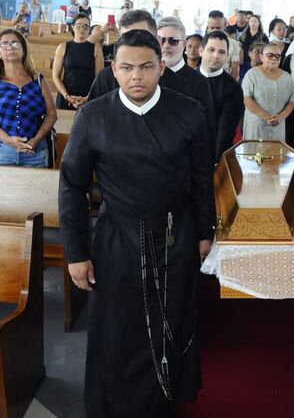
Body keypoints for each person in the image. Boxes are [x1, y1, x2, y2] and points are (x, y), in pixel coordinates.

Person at [59, 29, 215, 417]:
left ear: (161, 67)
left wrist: (205, 232)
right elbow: (72, 187)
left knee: (168, 324)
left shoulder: (188, 111)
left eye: (146, 67)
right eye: (126, 68)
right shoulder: (94, 115)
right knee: (118, 329)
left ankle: (161, 404)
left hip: (173, 235)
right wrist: (76, 253)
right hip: (116, 238)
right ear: (113, 70)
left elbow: (201, 178)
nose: (136, 77)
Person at [0, 29, 57, 167]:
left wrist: (36, 140)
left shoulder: (38, 80)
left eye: (15, 43)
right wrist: (7, 140)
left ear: (23, 50)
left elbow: (51, 114)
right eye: (5, 44)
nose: (11, 47)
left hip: (34, 153)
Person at [86, 10, 192, 105]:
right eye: (126, 39)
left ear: (157, 41)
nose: (133, 46)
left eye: (141, 39)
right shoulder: (105, 78)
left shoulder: (177, 85)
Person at [157, 16, 216, 148]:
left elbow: (207, 128)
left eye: (173, 41)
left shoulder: (199, 81)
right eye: (161, 40)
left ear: (183, 44)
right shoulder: (147, 76)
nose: (166, 45)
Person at [199, 31, 244, 160]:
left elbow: (225, 131)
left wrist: (217, 162)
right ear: (201, 51)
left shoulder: (233, 88)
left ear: (227, 56)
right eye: (211, 50)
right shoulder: (185, 81)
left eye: (221, 52)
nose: (216, 56)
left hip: (214, 157)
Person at [241, 42, 294, 141]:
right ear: (261, 57)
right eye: (270, 55)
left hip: (278, 125)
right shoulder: (251, 74)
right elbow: (247, 99)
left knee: (275, 155)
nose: (274, 58)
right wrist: (267, 117)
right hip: (256, 125)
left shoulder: (287, 77)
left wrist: (281, 117)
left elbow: (291, 102)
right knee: (254, 154)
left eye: (277, 56)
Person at [53, 13, 103, 110]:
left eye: (86, 26)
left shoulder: (96, 48)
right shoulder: (63, 47)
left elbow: (99, 78)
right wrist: (67, 96)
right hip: (66, 95)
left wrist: (88, 97)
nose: (82, 29)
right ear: (73, 27)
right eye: (79, 25)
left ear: (89, 29)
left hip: (89, 96)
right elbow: (56, 76)